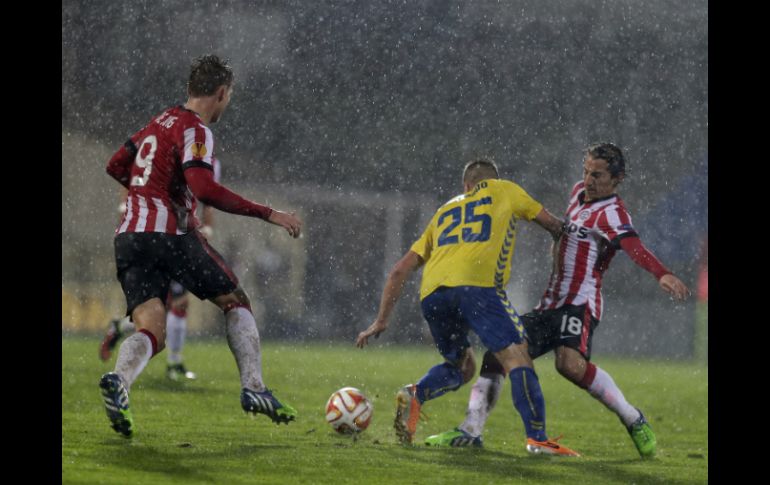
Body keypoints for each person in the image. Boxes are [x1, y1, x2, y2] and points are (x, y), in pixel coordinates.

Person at [424, 143, 690, 459]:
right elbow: (565, 233)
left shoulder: (613, 213)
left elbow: (633, 246)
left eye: (598, 175)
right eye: (587, 172)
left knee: (569, 365)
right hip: (551, 302)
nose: (589, 180)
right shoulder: (578, 193)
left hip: (580, 302)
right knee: (497, 356)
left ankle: (634, 419)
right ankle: (470, 431)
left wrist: (661, 273)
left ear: (617, 179)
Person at [99, 54, 303, 438]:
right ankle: (254, 389)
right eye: (229, 97)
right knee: (235, 300)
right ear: (222, 93)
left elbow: (115, 165)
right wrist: (269, 213)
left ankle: (119, 382)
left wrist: (143, 194)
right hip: (169, 234)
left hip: (129, 237)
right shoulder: (195, 129)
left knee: (151, 327)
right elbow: (205, 189)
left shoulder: (158, 122)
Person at [356, 159, 580, 456]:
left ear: (466, 186)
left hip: (433, 294)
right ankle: (537, 438)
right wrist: (566, 236)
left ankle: (416, 393)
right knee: (517, 357)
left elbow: (399, 270)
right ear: (493, 180)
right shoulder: (506, 190)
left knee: (462, 366)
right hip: (478, 288)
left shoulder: (444, 211)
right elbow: (554, 225)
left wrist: (381, 320)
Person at [100, 165, 222, 383]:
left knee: (171, 305)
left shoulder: (207, 158)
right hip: (156, 236)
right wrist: (124, 211)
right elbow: (131, 181)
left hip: (181, 237)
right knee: (166, 305)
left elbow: (208, 199)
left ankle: (123, 329)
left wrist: (207, 229)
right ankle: (171, 363)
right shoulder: (164, 148)